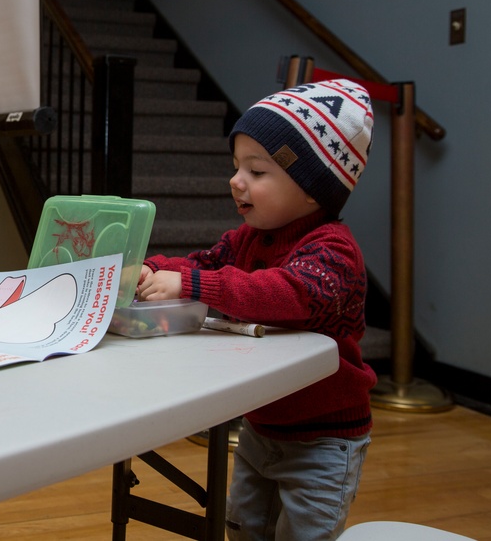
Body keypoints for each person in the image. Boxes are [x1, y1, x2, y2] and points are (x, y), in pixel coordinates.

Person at [137, 79, 377, 541]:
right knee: (244, 528)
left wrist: (191, 284)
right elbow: (201, 264)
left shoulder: (334, 251)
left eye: (257, 171)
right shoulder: (244, 239)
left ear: (313, 188)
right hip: (260, 427)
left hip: (325, 439)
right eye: (236, 167)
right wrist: (153, 268)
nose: (236, 181)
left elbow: (287, 294)